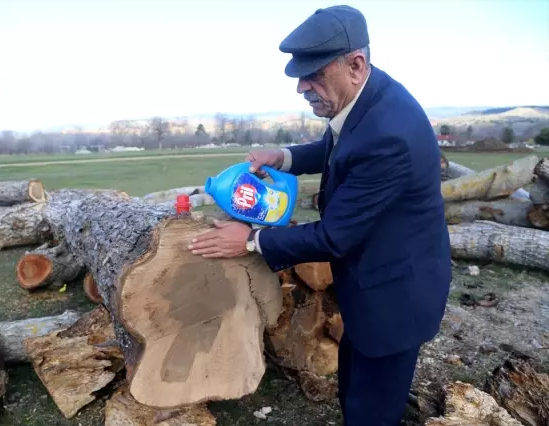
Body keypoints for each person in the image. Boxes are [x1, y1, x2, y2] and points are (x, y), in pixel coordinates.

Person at [187, 4, 451, 426]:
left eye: (313, 75)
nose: (301, 88)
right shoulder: (368, 97)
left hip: (395, 297)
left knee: (371, 411)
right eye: (298, 76)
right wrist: (283, 156)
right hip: (376, 282)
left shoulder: (389, 135)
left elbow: (334, 237)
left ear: (355, 65)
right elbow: (337, 147)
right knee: (354, 389)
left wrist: (251, 240)